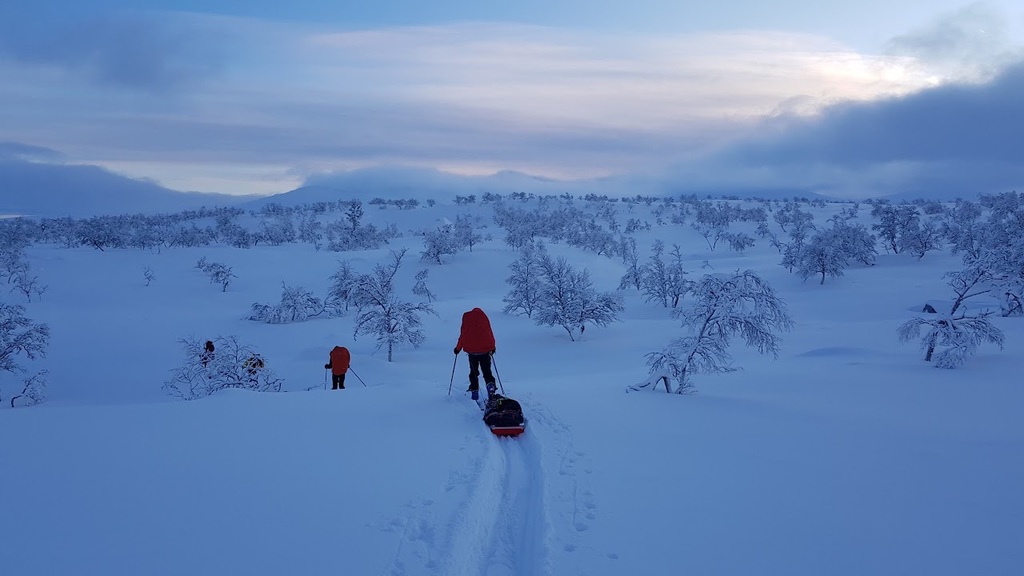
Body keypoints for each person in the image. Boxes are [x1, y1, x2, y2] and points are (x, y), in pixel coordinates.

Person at [454, 307, 496, 401]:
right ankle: (491, 389)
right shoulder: (483, 320)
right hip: (485, 352)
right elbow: (489, 334)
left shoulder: (467, 321)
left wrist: (457, 349)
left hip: (472, 353)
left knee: (473, 372)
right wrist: (492, 348)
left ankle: (474, 392)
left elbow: (463, 336)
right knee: (487, 372)